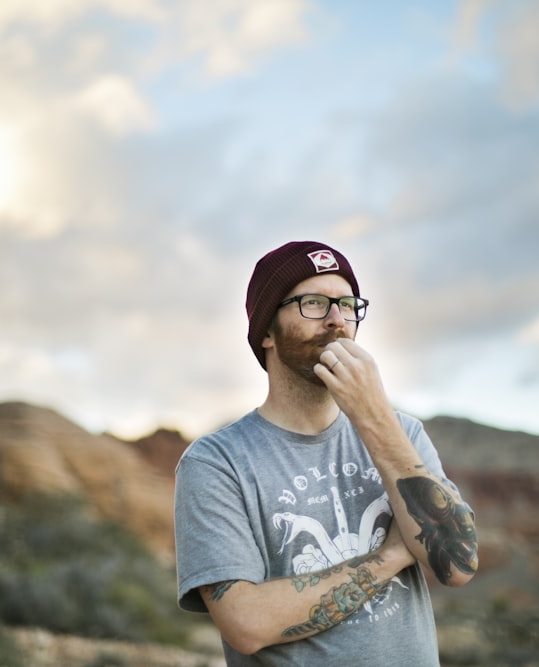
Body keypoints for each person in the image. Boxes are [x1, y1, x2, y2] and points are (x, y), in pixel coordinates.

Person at [174, 241, 478, 666]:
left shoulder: (402, 433)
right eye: (314, 303)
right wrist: (390, 556)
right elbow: (245, 623)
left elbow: (458, 564)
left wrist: (376, 420)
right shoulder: (217, 462)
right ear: (266, 332)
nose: (337, 320)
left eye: (348, 304)